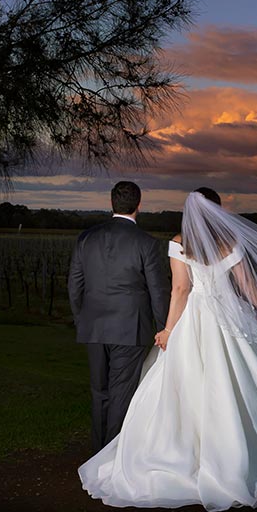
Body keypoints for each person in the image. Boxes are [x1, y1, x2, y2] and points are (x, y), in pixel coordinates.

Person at [78, 187, 257, 510]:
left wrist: (169, 330)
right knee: (241, 387)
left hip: (194, 321)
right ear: (218, 211)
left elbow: (181, 290)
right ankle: (242, 453)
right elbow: (247, 286)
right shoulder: (230, 242)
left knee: (184, 386)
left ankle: (187, 454)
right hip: (230, 320)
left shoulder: (181, 243)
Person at [68, 181, 170, 454]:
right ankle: (111, 458)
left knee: (99, 392)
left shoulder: (86, 238)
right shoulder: (147, 243)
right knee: (121, 395)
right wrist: (164, 328)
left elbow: (74, 286)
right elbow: (158, 291)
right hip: (130, 328)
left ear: (111, 203)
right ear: (139, 205)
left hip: (93, 327)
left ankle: (99, 453)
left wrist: (82, 320)